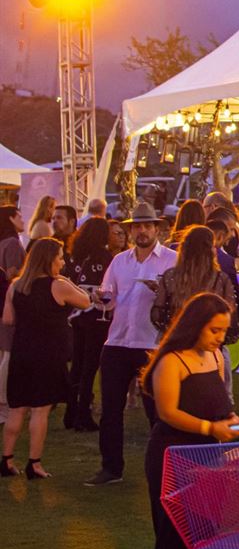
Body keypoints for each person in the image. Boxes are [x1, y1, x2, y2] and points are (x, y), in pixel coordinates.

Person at [139, 292, 239, 549]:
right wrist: (210, 427)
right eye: (214, 330)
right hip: (173, 452)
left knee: (203, 522)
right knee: (174, 524)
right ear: (195, 325)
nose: (220, 338)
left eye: (223, 330)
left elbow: (218, 399)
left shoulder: (214, 357)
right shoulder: (172, 361)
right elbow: (167, 412)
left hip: (208, 453)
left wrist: (230, 419)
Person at [87, 203, 177, 486]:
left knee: (157, 412)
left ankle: (165, 470)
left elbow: (181, 300)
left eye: (147, 226)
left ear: (156, 229)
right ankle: (111, 468)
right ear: (131, 231)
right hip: (117, 341)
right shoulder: (119, 261)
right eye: (137, 226)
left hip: (152, 343)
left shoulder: (172, 260)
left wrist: (162, 292)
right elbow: (109, 298)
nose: (142, 231)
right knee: (111, 409)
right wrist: (99, 298)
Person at [1, 237, 93, 478]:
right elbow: (86, 301)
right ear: (49, 259)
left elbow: (8, 319)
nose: (63, 263)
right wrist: (68, 281)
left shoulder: (16, 286)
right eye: (60, 258)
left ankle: (6, 460)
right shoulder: (58, 285)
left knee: (16, 409)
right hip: (48, 354)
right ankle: (34, 463)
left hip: (21, 352)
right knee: (40, 410)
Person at [150, 226, 239, 339]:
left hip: (176, 341)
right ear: (209, 251)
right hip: (207, 343)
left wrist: (174, 329)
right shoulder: (220, 279)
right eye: (213, 246)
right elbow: (231, 320)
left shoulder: (171, 276)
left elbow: (157, 315)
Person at [64, 216, 112, 431]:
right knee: (90, 367)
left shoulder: (75, 256)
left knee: (77, 365)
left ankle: (71, 412)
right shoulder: (105, 257)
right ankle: (83, 414)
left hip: (77, 315)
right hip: (97, 317)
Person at [0, 205, 26, 279]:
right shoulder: (12, 243)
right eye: (19, 217)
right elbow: (12, 274)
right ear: (11, 219)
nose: (23, 221)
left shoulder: (3, 242)